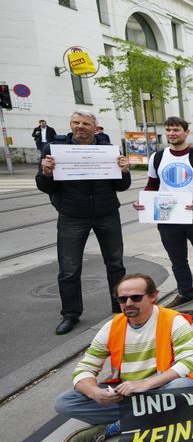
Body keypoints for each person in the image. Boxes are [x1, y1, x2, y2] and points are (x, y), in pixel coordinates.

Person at [53, 274, 193, 442]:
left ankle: (112, 428)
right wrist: (95, 393)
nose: (128, 303)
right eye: (122, 299)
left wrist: (144, 384)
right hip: (126, 395)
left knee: (183, 385)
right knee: (65, 402)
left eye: (136, 297)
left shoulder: (173, 321)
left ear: (153, 296)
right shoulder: (111, 327)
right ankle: (149, 419)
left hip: (161, 390)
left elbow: (188, 362)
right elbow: (84, 369)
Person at [36, 111, 131, 335]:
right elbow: (45, 186)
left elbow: (121, 186)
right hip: (71, 215)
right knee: (69, 268)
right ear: (70, 125)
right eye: (76, 123)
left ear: (95, 127)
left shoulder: (109, 149)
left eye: (85, 123)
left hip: (106, 213)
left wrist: (124, 171)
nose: (80, 127)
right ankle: (70, 314)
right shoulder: (53, 149)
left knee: (115, 263)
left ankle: (120, 309)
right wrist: (46, 173)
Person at [132, 116, 193, 308]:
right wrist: (144, 201)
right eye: (168, 130)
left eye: (176, 130)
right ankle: (185, 292)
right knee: (177, 259)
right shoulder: (157, 158)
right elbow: (152, 185)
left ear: (186, 132)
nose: (172, 133)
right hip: (168, 217)